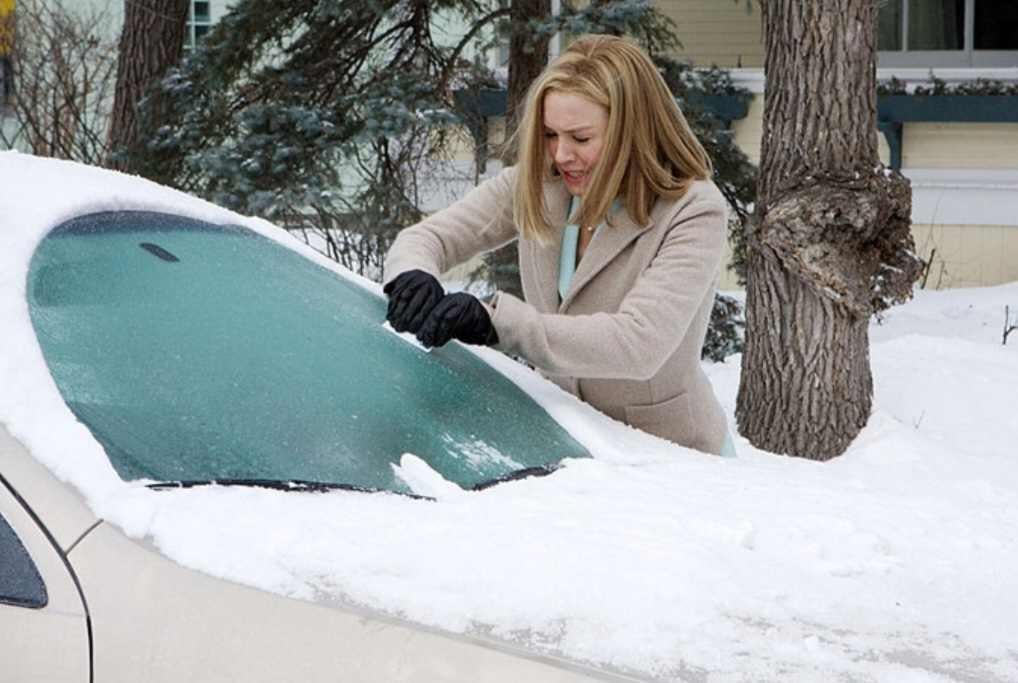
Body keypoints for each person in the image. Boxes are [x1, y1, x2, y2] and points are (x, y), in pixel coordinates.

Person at [383, 34, 735, 457]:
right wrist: (412, 275)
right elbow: (427, 238)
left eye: (581, 138)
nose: (561, 154)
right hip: (564, 447)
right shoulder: (538, 183)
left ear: (631, 131)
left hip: (668, 455)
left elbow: (638, 344)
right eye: (550, 135)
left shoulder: (692, 210)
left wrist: (497, 324)